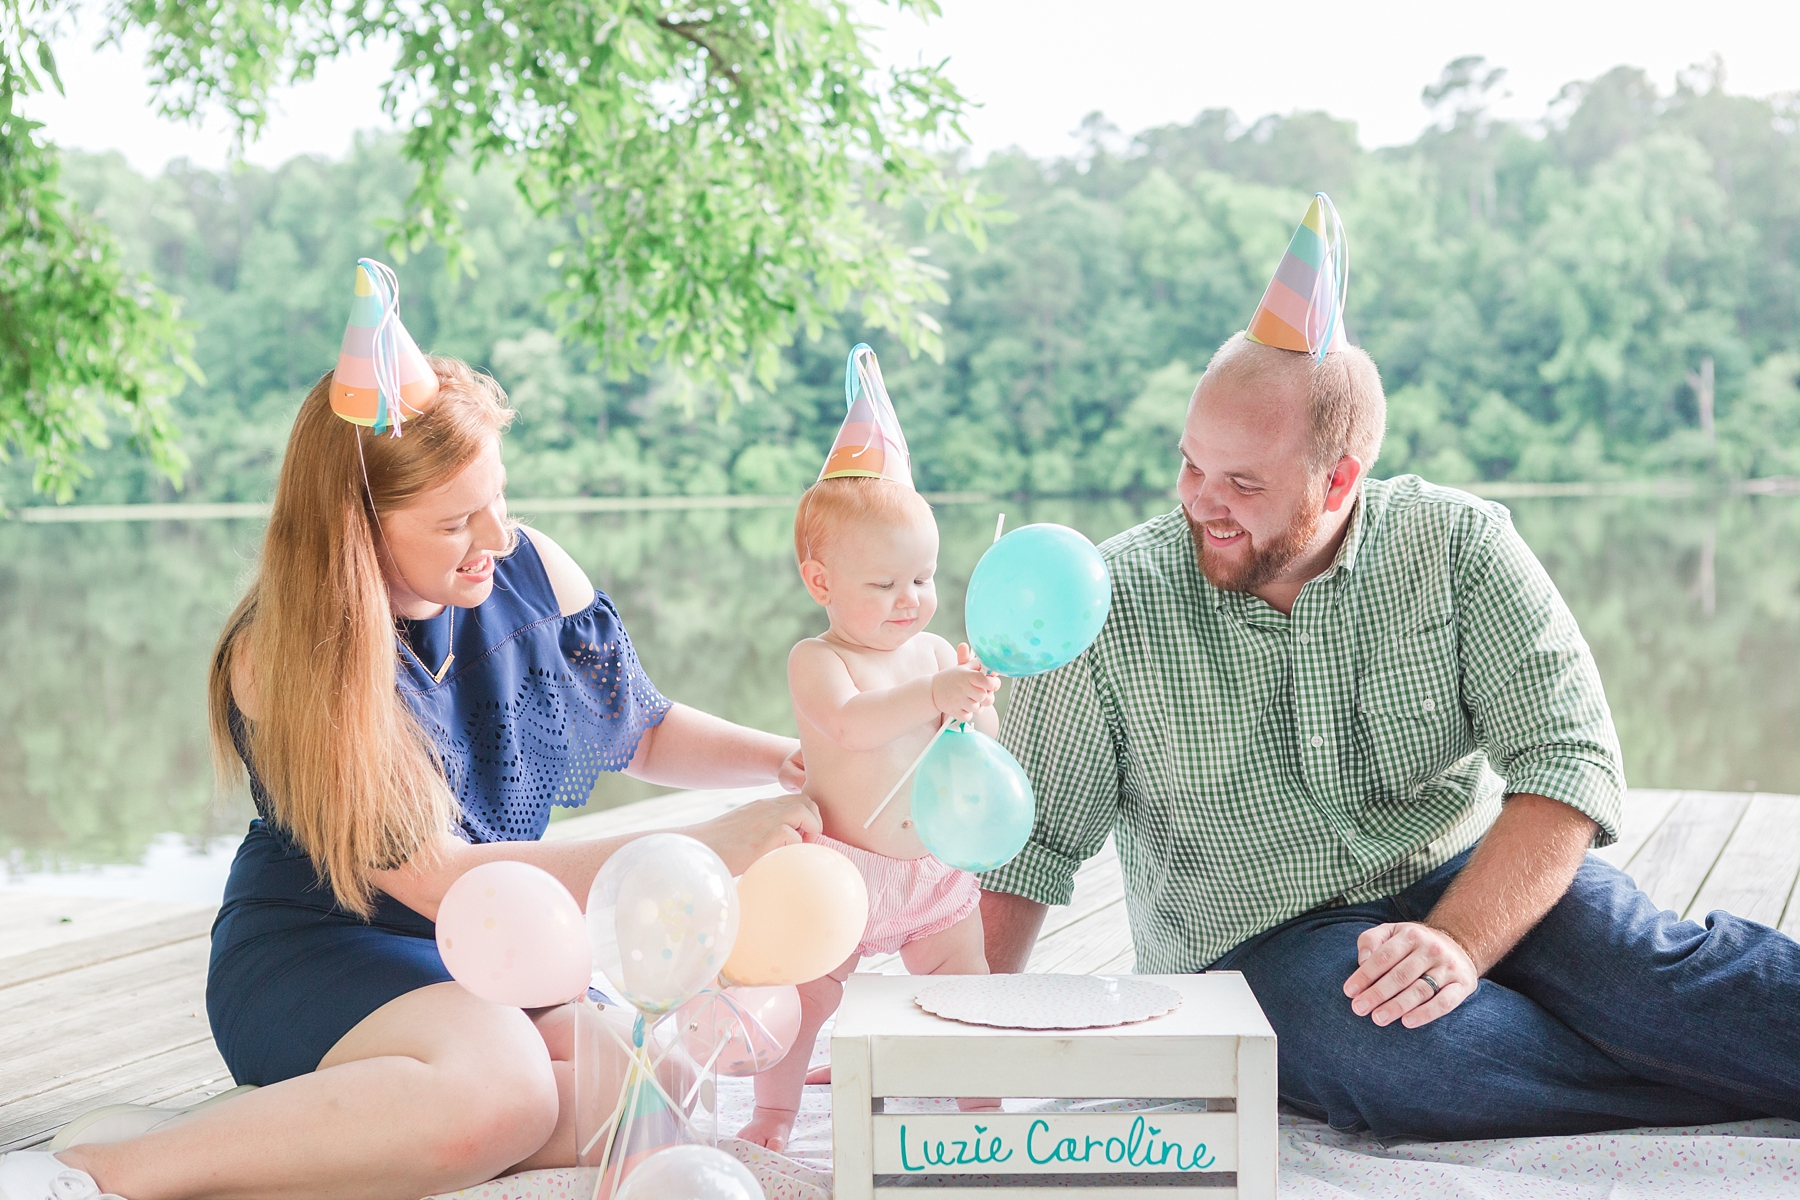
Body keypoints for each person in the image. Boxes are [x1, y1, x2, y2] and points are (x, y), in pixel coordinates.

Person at [977, 196, 1800, 1142]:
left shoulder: (1458, 544)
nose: (1202, 501)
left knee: (1650, 975)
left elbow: (1567, 762)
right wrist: (952, 1044)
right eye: (1191, 465)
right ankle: (1713, 1077)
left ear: (1338, 480)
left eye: (1242, 482)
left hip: (1460, 869)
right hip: (1259, 939)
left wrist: (1457, 938)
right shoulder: (1110, 596)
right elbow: (1030, 845)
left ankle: (1674, 1042)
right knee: (1406, 1055)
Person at [0, 262, 820, 1200]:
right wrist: (699, 846)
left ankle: (269, 1142)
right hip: (326, 946)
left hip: (502, 946)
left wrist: (784, 763)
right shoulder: (282, 656)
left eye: (499, 498)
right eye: (456, 522)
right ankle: (104, 1170)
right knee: (505, 1097)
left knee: (631, 1102)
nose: (499, 537)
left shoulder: (526, 569)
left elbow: (640, 726)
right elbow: (437, 879)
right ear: (356, 528)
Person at [738, 347, 1000, 1152]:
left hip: (931, 873)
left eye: (922, 579)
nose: (910, 601)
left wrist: (973, 705)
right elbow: (851, 725)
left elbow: (970, 751)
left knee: (967, 991)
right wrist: (930, 697)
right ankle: (774, 1115)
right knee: (806, 991)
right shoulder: (819, 660)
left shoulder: (931, 657)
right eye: (884, 585)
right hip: (843, 873)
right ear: (822, 583)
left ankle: (983, 1117)